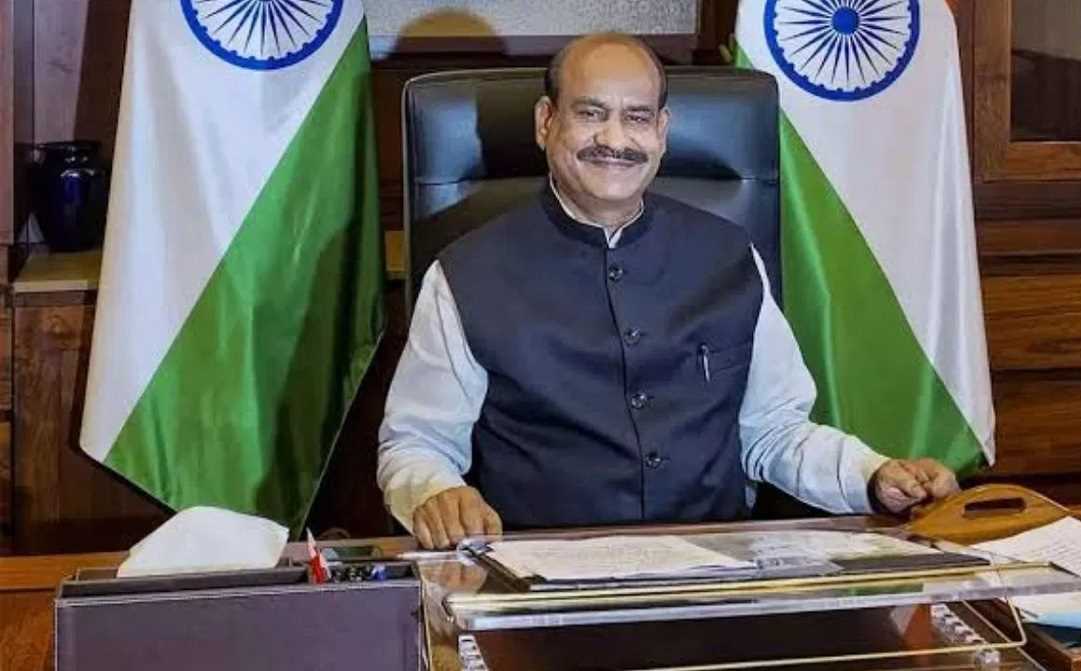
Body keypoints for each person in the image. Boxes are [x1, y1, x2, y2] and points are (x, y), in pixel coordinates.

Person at [378, 33, 960, 550]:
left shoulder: (730, 255)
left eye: (636, 117)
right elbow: (416, 443)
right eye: (591, 113)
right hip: (541, 580)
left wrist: (874, 475)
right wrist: (435, 493)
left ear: (661, 132)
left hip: (716, 574)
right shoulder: (465, 273)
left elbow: (774, 431)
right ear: (545, 122)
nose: (615, 139)